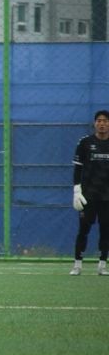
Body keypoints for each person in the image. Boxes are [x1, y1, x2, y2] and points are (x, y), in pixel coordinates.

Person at [70, 110, 109, 275]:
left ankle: (102, 265)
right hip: (88, 196)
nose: (102, 124)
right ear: (95, 123)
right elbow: (77, 169)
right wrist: (77, 191)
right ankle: (77, 265)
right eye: (99, 120)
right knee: (84, 230)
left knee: (106, 230)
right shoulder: (85, 142)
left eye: (105, 121)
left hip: (107, 197)